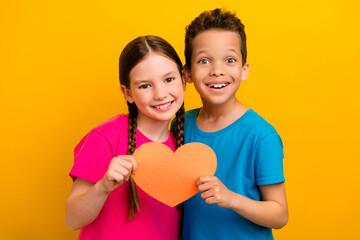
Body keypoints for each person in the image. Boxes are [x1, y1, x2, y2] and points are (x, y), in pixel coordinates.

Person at [181, 8, 288, 239]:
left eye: (229, 60)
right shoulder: (182, 124)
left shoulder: (261, 135)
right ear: (188, 73)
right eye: (204, 60)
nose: (217, 70)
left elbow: (280, 215)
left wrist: (231, 199)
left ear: (244, 69)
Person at [65, 35, 186, 240]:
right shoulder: (106, 137)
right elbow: (73, 219)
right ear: (127, 93)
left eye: (168, 79)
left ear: (183, 80)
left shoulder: (184, 146)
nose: (160, 94)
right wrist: (103, 187)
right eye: (145, 86)